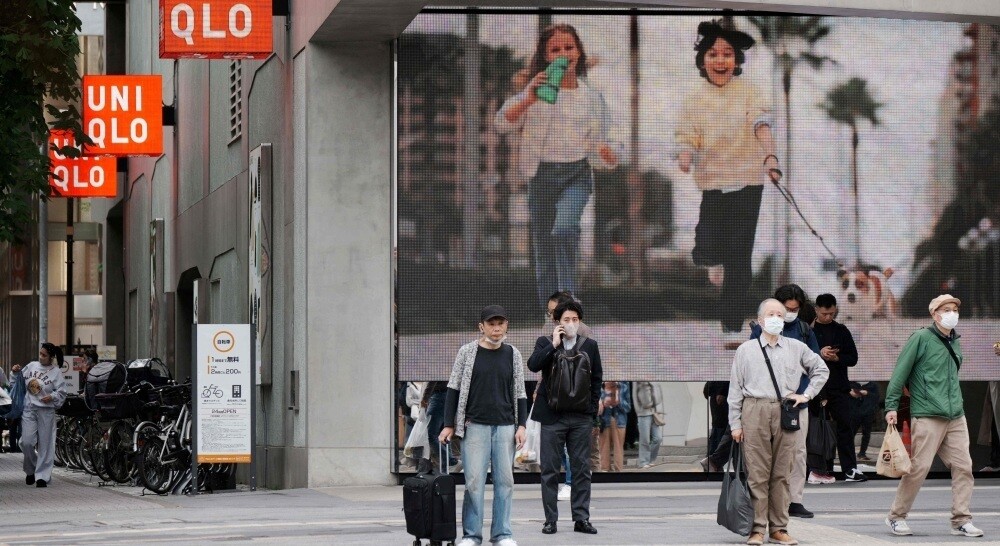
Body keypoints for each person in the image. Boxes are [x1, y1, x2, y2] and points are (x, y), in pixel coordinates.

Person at [676, 19, 782, 348]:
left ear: (736, 60)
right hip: (713, 183)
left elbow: (761, 125)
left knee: (740, 257)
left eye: (727, 54)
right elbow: (687, 133)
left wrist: (771, 157)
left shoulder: (750, 92)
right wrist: (685, 153)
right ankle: (713, 261)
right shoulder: (694, 98)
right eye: (713, 54)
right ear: (702, 60)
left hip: (749, 181)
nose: (720, 60)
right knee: (705, 248)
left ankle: (732, 326)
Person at [495, 24, 617, 306]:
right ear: (546, 57)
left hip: (576, 174)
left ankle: (570, 306)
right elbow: (501, 123)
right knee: (545, 251)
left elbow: (606, 143)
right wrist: (527, 99)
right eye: (555, 49)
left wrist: (607, 153)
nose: (564, 53)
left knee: (564, 229)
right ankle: (550, 314)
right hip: (541, 175)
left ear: (579, 53)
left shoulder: (591, 97)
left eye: (569, 47)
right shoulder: (537, 90)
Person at [730, 299, 828, 546]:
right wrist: (735, 424)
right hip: (755, 409)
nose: (775, 317)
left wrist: (806, 395)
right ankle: (757, 528)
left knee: (782, 473)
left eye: (779, 314)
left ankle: (779, 528)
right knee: (757, 474)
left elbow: (821, 369)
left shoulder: (796, 347)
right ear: (760, 320)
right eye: (770, 314)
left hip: (787, 410)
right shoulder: (746, 350)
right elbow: (735, 389)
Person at [884, 295, 984, 538]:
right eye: (946, 309)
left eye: (954, 309)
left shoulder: (955, 340)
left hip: (955, 415)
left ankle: (961, 519)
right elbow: (900, 373)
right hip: (928, 414)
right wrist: (891, 406)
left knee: (964, 467)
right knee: (919, 467)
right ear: (934, 314)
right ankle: (896, 517)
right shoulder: (921, 338)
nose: (952, 313)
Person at [439, 305, 527, 546]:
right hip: (474, 425)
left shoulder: (513, 354)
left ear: (506, 325)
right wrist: (449, 424)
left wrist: (522, 425)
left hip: (506, 426)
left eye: (500, 323)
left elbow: (520, 392)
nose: (496, 328)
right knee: (474, 483)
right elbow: (453, 388)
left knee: (505, 482)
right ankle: (471, 535)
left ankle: (502, 534)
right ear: (481, 326)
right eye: (491, 323)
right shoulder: (467, 352)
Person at [528, 299, 602, 535]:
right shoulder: (545, 342)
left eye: (575, 320)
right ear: (557, 321)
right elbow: (533, 365)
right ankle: (550, 519)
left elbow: (597, 378)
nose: (571, 324)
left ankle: (581, 518)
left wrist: (591, 409)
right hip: (552, 416)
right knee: (550, 470)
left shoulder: (589, 345)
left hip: (580, 417)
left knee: (581, 469)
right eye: (566, 320)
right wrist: (553, 343)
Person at [750, 284, 820, 518]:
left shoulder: (803, 330)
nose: (789, 313)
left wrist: (805, 394)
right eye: (785, 309)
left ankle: (795, 500)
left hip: (796, 404)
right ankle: (767, 500)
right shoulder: (760, 329)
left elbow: (817, 366)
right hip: (765, 402)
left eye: (794, 309)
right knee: (766, 453)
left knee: (798, 452)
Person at [811, 293, 866, 483]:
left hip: (839, 386)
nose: (828, 317)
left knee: (845, 428)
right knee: (817, 429)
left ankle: (850, 468)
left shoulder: (841, 330)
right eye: (825, 313)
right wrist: (819, 353)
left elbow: (853, 358)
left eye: (832, 314)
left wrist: (837, 358)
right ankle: (818, 469)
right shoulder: (807, 331)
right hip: (815, 388)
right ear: (816, 310)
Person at [13, 342, 67, 487]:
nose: (41, 357)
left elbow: (62, 392)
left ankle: (42, 476)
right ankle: (31, 469)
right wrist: (15, 372)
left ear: (51, 357)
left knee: (46, 443)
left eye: (44, 355)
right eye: (40, 354)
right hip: (29, 409)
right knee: (26, 442)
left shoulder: (56, 372)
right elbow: (17, 382)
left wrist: (52, 397)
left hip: (46, 410)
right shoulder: (31, 366)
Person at [598, 381, 630, 471]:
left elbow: (628, 407)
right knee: (603, 448)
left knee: (618, 448)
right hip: (604, 419)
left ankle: (618, 472)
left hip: (619, 420)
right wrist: (603, 401)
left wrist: (619, 402)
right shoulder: (601, 384)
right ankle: (604, 471)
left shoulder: (624, 384)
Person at [633, 381, 664, 468]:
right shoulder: (637, 378)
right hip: (643, 413)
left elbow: (658, 391)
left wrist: (658, 409)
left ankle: (650, 460)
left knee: (658, 438)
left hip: (654, 411)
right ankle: (643, 462)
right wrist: (638, 410)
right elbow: (634, 395)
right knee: (644, 439)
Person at [849, 381, 880, 463]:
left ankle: (862, 453)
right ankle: (849, 452)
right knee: (851, 433)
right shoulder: (852, 384)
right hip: (854, 413)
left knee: (866, 434)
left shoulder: (873, 385)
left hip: (868, 413)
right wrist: (851, 393)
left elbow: (877, 397)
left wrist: (867, 393)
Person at [704, 381, 729, 456]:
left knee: (719, 430)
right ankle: (712, 462)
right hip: (721, 395)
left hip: (720, 393)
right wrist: (721, 391)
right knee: (720, 430)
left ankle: (711, 461)